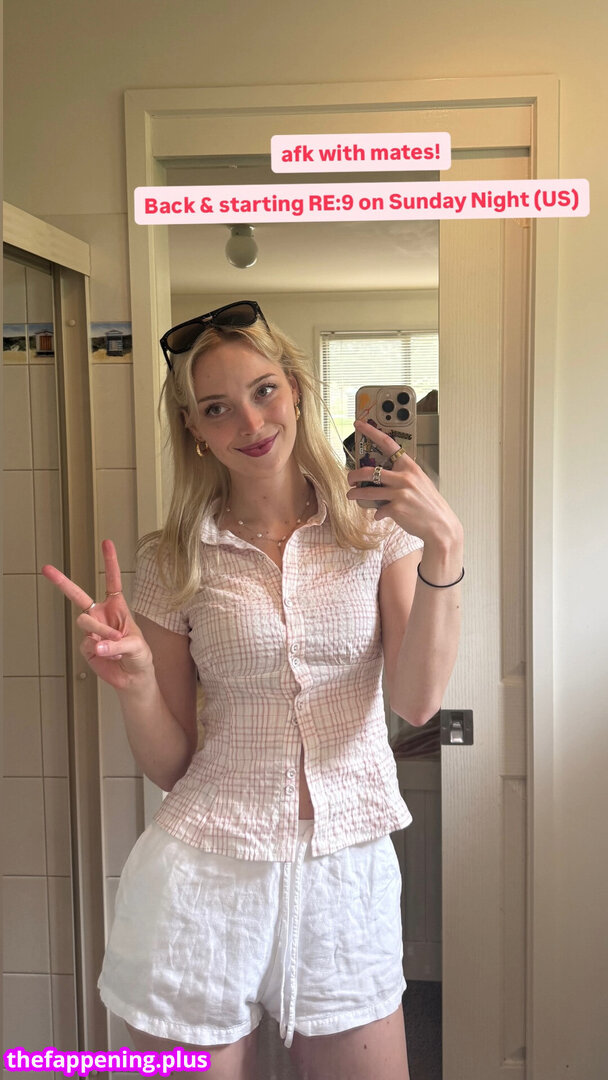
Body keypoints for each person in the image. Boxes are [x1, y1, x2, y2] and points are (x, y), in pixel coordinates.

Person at [42, 300, 464, 1080]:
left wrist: (445, 544)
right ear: (194, 429)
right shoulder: (173, 560)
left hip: (345, 874)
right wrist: (137, 684)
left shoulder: (376, 531)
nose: (250, 421)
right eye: (216, 408)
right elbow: (173, 765)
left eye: (264, 390)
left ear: (295, 390)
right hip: (204, 877)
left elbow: (416, 702)